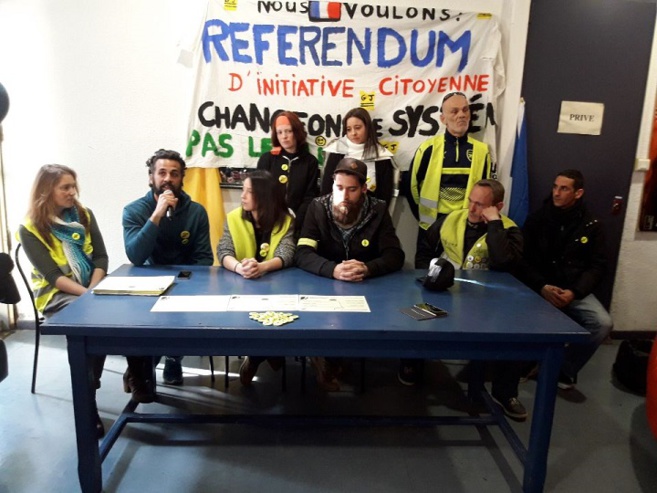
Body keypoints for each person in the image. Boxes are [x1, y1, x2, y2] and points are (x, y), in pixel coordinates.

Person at [411, 179, 527, 421]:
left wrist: (494, 224)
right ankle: (411, 365)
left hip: (488, 303)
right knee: (411, 318)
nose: (472, 209)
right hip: (444, 294)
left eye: (480, 205)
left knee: (514, 334)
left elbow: (504, 262)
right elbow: (424, 250)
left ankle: (505, 393)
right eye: (470, 201)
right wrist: (429, 277)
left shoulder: (509, 230)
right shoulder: (451, 219)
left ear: (498, 207)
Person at [295, 157, 405, 390]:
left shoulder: (378, 209)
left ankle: (334, 359)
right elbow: (303, 252)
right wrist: (332, 269)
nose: (344, 196)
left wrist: (368, 268)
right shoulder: (318, 207)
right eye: (339, 187)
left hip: (363, 289)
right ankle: (325, 359)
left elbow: (395, 255)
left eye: (352, 189)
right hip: (324, 286)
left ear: (364, 188)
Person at [18, 164, 109, 437]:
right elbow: (53, 276)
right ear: (46, 191)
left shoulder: (84, 215)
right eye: (65, 187)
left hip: (90, 287)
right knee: (91, 322)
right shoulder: (30, 228)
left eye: (73, 186)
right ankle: (87, 398)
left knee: (117, 315)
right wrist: (88, 296)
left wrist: (93, 289)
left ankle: (100, 380)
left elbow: (101, 257)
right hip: (56, 295)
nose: (72, 192)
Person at [122, 149, 213, 395]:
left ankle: (172, 359)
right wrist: (157, 215)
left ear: (182, 178)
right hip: (146, 283)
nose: (168, 179)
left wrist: (186, 283)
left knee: (183, 314)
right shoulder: (134, 211)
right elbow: (135, 255)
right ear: (151, 177)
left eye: (174, 174)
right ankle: (141, 368)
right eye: (162, 173)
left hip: (186, 282)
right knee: (133, 322)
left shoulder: (196, 212)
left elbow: (204, 258)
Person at [516, 169, 613, 390]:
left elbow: (598, 266)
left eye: (564, 188)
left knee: (602, 323)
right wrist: (542, 286)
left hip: (572, 290)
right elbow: (522, 261)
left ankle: (561, 369)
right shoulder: (537, 220)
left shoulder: (591, 225)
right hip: (540, 287)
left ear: (578, 193)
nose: (556, 193)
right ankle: (523, 364)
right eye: (555, 187)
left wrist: (575, 292)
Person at [217, 170, 296, 385]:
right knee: (246, 320)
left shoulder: (286, 219)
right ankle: (263, 355)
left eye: (248, 192)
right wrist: (240, 268)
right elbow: (223, 251)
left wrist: (262, 267)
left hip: (277, 286)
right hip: (241, 285)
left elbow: (288, 253)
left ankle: (258, 356)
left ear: (264, 196)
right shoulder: (234, 217)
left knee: (277, 319)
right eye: (242, 190)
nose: (242, 196)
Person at [406, 91, 491, 269]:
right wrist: (424, 218)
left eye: (465, 110)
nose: (461, 115)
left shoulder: (482, 151)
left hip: (466, 227)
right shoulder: (427, 149)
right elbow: (412, 187)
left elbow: (486, 192)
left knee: (464, 277)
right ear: (443, 119)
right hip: (431, 227)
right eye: (454, 111)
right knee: (425, 275)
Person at [257, 111, 320, 234]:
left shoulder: (310, 161)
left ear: (297, 132)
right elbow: (259, 192)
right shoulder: (267, 159)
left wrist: (295, 219)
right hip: (269, 221)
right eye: (279, 132)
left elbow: (310, 196)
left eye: (288, 131)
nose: (284, 136)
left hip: (298, 224)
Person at [320, 107, 398, 207]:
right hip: (337, 210)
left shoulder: (382, 156)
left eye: (357, 128)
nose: (353, 133)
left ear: (367, 127)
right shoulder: (336, 151)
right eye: (349, 129)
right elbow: (326, 189)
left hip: (370, 210)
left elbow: (384, 196)